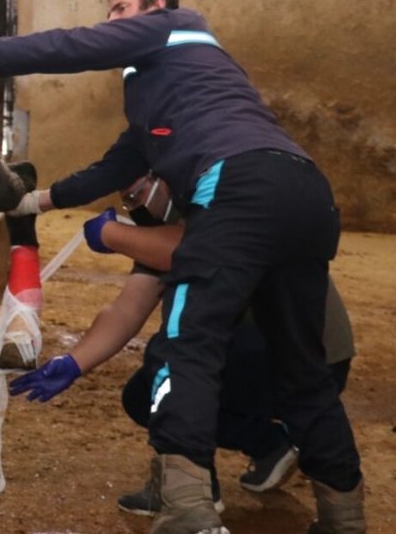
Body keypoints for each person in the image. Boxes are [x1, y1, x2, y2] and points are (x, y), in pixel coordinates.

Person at [0, 0, 364, 534]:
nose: (111, 21)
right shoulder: (167, 98)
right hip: (305, 194)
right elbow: (115, 167)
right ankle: (345, 517)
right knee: (303, 369)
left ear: (158, 8)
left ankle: (189, 511)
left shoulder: (179, 27)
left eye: (121, 8)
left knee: (186, 350)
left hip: (239, 185)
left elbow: (76, 45)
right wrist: (35, 201)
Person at [75, 174, 356, 517]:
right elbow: (126, 309)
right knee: (140, 393)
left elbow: (191, 252)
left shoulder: (211, 214)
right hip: (306, 363)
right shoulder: (191, 219)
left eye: (138, 193)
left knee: (176, 359)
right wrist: (72, 364)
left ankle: (194, 491)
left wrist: (113, 234)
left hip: (299, 364)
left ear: (164, 179)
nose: (135, 207)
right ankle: (268, 443)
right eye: (127, 201)